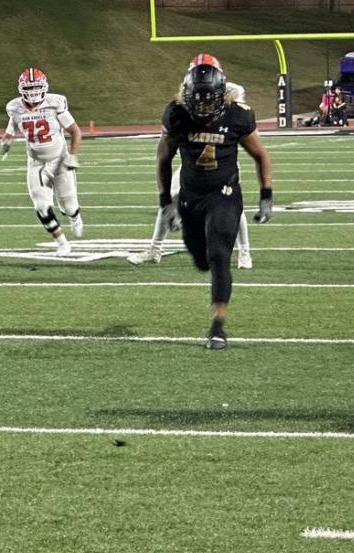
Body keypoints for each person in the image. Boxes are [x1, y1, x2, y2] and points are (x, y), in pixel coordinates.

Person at [154, 55, 273, 349]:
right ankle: (206, 261)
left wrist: (266, 194)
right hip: (190, 196)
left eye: (210, 98)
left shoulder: (238, 114)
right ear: (187, 94)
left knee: (219, 254)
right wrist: (165, 202)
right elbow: (163, 158)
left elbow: (260, 155)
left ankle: (217, 326)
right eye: (199, 98)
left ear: (222, 93)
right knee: (200, 259)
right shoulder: (176, 114)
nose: (205, 104)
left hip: (225, 194)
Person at [127, 54, 254, 269]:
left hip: (221, 159)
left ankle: (245, 252)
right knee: (169, 198)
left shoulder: (231, 91)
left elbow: (233, 119)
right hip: (194, 160)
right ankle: (155, 249)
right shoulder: (187, 92)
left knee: (233, 206)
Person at [0, 67, 83, 256]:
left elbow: (75, 131)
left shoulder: (56, 103)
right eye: (29, 89)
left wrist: (72, 155)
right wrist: (7, 140)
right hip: (36, 163)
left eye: (37, 88)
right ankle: (61, 242)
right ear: (22, 89)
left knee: (68, 206)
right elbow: (12, 125)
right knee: (41, 205)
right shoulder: (14, 107)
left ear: (44, 87)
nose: (34, 93)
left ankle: (75, 217)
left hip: (60, 160)